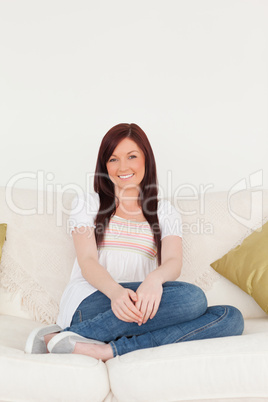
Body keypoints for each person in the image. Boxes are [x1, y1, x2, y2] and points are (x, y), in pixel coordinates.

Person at [25, 123, 244, 361]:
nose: (123, 167)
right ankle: (74, 333)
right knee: (193, 298)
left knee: (230, 317)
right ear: (104, 166)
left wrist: (154, 279)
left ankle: (101, 347)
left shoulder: (164, 211)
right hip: (92, 302)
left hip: (139, 306)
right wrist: (117, 293)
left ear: (146, 160)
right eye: (113, 159)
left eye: (131, 156)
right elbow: (87, 261)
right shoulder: (88, 203)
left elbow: (173, 261)